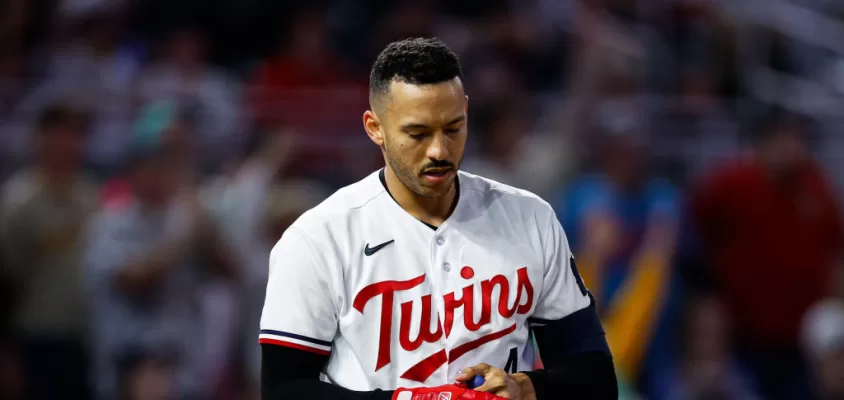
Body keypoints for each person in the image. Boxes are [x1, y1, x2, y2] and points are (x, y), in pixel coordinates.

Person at [259, 37, 617, 400]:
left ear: (466, 112)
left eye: (452, 128)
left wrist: (523, 387)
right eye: (417, 133)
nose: (439, 150)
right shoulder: (319, 237)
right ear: (375, 127)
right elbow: (284, 390)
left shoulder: (531, 218)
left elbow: (595, 378)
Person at [692, 111, 843, 400]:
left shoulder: (816, 188)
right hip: (744, 331)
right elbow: (697, 233)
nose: (791, 149)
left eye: (796, 140)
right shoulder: (733, 185)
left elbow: (835, 250)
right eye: (783, 140)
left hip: (802, 337)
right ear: (764, 144)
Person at [0, 103, 97, 400]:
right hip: (35, 338)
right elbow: (3, 283)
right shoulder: (19, 201)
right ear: (41, 138)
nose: (67, 143)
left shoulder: (91, 196)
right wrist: (6, 354)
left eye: (75, 134)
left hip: (86, 337)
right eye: (59, 133)